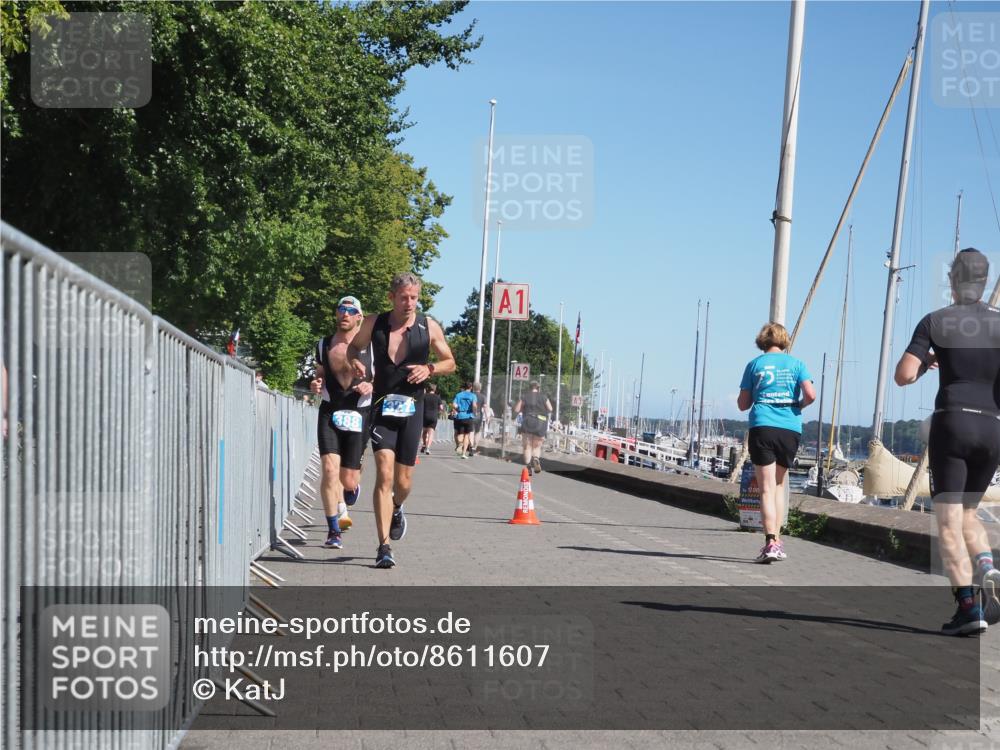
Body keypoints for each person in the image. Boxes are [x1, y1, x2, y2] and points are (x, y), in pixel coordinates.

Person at [895, 248, 1000, 636]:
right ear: (984, 281)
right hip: (993, 428)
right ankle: (988, 567)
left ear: (953, 281)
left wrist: (927, 364)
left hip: (953, 424)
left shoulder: (936, 321)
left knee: (949, 521)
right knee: (969, 512)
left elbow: (903, 375)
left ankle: (968, 609)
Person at [347, 273, 456, 569]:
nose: (410, 303)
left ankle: (397, 507)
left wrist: (430, 368)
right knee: (383, 474)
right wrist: (357, 362)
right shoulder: (374, 323)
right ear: (391, 297)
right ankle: (384, 546)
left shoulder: (427, 326)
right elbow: (352, 347)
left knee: (403, 482)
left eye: (414, 297)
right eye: (404, 297)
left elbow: (450, 361)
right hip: (382, 408)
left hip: (412, 411)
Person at [737, 323, 816, 564]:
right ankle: (778, 542)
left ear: (761, 340)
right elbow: (811, 395)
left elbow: (743, 404)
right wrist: (797, 406)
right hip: (790, 428)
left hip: (763, 426)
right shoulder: (797, 364)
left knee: (766, 489)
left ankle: (770, 541)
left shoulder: (754, 365)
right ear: (784, 340)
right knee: (780, 486)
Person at [310, 296, 373, 550]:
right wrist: (315, 383)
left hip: (359, 412)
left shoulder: (370, 347)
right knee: (328, 470)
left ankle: (350, 489)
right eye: (341, 309)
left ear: (359, 317)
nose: (345, 314)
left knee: (348, 480)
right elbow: (319, 375)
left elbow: (386, 379)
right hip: (330, 411)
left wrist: (372, 385)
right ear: (336, 314)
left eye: (351, 311)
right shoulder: (324, 345)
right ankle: (333, 530)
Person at [515, 381, 553, 475]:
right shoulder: (544, 397)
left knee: (527, 446)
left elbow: (516, 409)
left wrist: (523, 408)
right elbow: (550, 409)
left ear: (530, 388)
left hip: (527, 420)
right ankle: (536, 459)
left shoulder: (525, 396)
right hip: (540, 422)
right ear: (538, 388)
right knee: (537, 446)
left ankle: (528, 467)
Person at [452, 382, 478, 459]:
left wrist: (457, 408)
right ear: (471, 387)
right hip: (469, 416)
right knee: (467, 435)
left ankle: (460, 444)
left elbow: (454, 404)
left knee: (460, 433)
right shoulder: (473, 395)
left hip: (460, 416)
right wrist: (475, 411)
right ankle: (463, 454)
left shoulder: (458, 395)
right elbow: (474, 405)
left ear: (464, 387)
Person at [421, 383, 444, 454]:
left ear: (428, 389)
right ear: (435, 389)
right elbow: (441, 407)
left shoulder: (424, 396)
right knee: (431, 433)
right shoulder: (437, 397)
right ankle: (428, 448)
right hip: (433, 416)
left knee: (424, 432)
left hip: (425, 416)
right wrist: (438, 412)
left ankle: (424, 444)